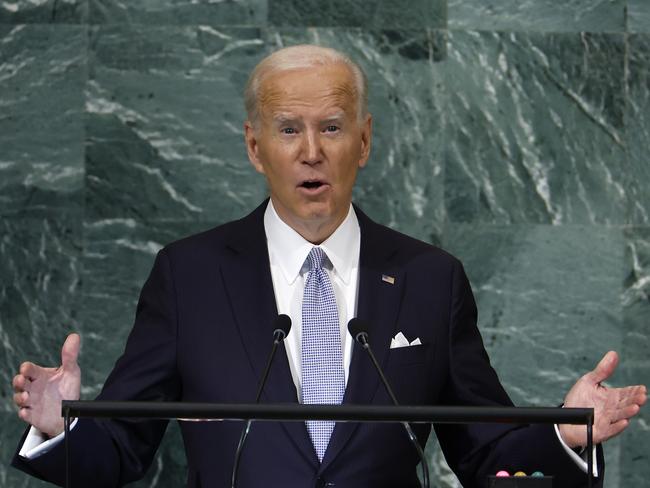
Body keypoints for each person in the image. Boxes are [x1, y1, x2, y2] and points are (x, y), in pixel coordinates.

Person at [11, 45, 647, 488]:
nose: (311, 152)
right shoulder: (189, 276)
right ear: (255, 147)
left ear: (364, 141)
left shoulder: (431, 279)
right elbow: (120, 450)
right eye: (288, 130)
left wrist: (567, 434)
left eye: (332, 127)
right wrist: (58, 428)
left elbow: (487, 453)